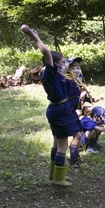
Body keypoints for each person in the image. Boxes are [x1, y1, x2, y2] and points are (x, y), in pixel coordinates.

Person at [21, 25, 77, 187]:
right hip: (60, 111)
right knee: (62, 146)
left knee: (56, 143)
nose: (65, 63)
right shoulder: (51, 73)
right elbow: (46, 52)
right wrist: (33, 35)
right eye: (63, 61)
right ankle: (59, 179)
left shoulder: (54, 75)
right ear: (53, 64)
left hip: (57, 109)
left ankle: (53, 175)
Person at [65, 57, 105, 168]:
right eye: (74, 66)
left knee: (99, 113)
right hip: (71, 111)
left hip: (79, 109)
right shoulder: (68, 81)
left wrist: (97, 99)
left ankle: (92, 143)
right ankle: (81, 149)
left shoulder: (79, 81)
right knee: (84, 127)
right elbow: (70, 100)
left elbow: (88, 99)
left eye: (78, 65)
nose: (77, 67)